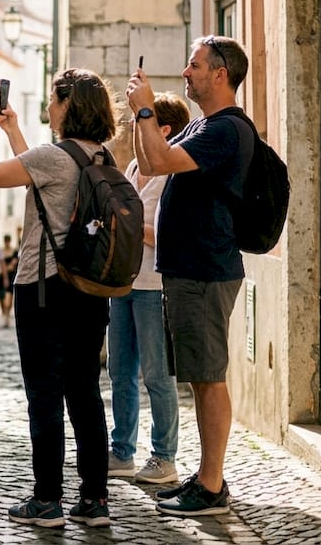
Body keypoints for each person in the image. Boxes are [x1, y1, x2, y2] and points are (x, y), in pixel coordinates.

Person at [0, 68, 119, 529]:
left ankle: (46, 500)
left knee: (44, 395)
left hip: (43, 290)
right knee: (85, 392)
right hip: (90, 289)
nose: (49, 108)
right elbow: (40, 178)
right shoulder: (101, 156)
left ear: (68, 105)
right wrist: (15, 131)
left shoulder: (52, 157)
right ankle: (94, 499)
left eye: (54, 100)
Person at [126, 36, 251, 517]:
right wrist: (143, 115)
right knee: (200, 377)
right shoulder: (203, 125)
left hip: (205, 268)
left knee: (209, 377)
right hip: (189, 269)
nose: (185, 72)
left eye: (194, 65)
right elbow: (149, 161)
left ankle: (213, 486)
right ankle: (204, 477)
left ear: (220, 74)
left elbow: (159, 159)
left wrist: (144, 110)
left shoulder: (225, 130)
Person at [107, 92, 191, 486]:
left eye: (143, 120)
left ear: (164, 129)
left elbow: (169, 235)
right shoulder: (135, 165)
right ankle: (122, 450)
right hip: (123, 282)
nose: (133, 126)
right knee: (120, 371)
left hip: (154, 285)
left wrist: (126, 227)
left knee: (157, 375)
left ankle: (164, 457)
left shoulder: (174, 173)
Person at [1, 233, 19, 325]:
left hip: (11, 276)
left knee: (9, 298)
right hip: (2, 277)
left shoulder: (14, 251)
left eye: (8, 240)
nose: (7, 242)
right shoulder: (1, 251)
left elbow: (13, 265)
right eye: (5, 240)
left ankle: (7, 316)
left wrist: (5, 266)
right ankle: (5, 315)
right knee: (3, 298)